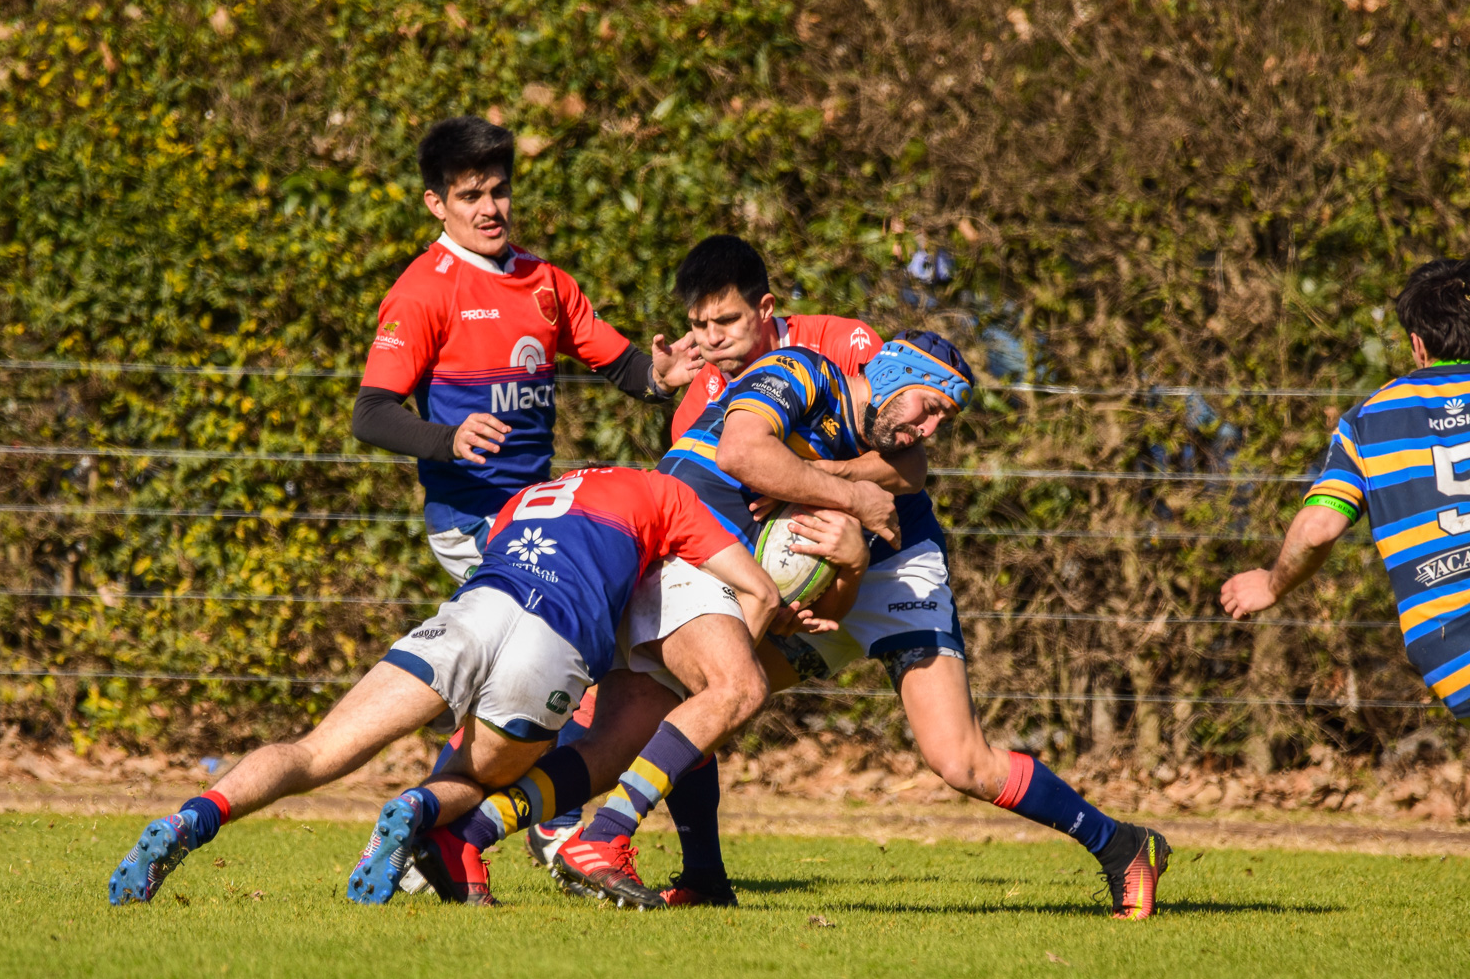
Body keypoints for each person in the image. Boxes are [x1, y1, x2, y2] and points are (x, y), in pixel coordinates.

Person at [551, 320, 1172, 917]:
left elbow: (900, 476)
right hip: (826, 566)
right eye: (928, 407)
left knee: (960, 761)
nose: (927, 429)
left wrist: (821, 486)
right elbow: (745, 452)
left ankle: (1121, 845)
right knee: (709, 692)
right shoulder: (807, 375)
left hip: (899, 570)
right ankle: (703, 877)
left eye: (942, 420)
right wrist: (839, 498)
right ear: (896, 372)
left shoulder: (904, 455)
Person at [108, 467, 777, 906]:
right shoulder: (666, 493)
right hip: (551, 643)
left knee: (316, 751)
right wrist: (718, 692)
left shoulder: (528, 499)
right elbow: (761, 588)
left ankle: (192, 817)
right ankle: (420, 810)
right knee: (472, 777)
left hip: (474, 610)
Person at [350, 115, 699, 874]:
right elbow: (371, 414)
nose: (489, 208)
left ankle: (450, 826)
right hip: (470, 519)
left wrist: (661, 375)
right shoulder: (422, 291)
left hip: (539, 515)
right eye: (470, 194)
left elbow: (621, 363)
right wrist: (447, 440)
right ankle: (507, 828)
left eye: (499, 191)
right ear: (434, 203)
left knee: (554, 676)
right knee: (559, 665)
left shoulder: (545, 282)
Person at [1222, 257, 1470, 722]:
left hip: (1451, 653)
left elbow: (1317, 529)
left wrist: (1272, 585)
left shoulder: (1369, 422)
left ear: (1418, 344)